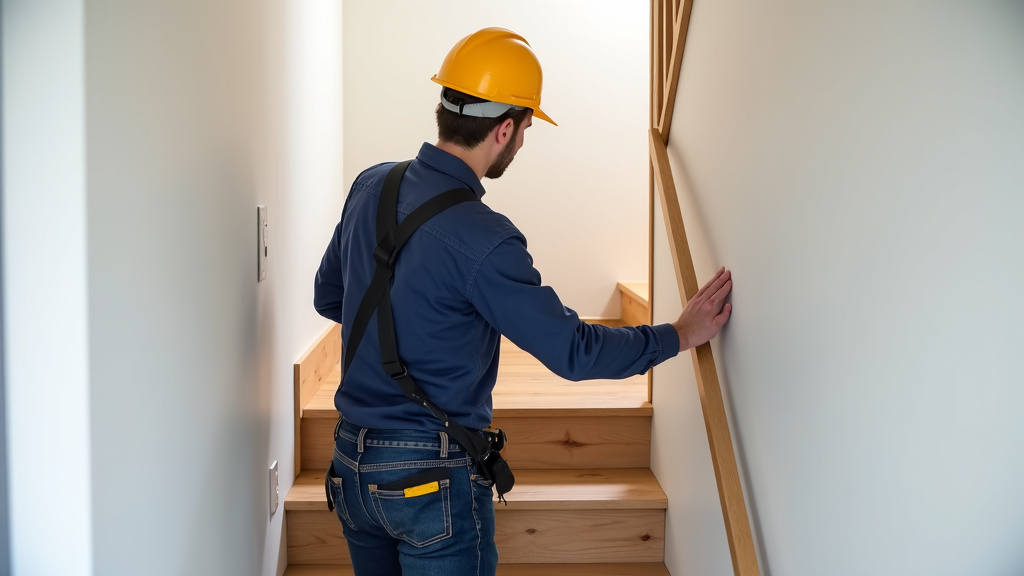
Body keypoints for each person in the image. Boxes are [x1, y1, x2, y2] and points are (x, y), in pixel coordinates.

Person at [313, 27, 732, 576]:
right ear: (504, 128)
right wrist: (676, 335)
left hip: (350, 464)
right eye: (527, 128)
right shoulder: (486, 239)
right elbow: (573, 352)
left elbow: (329, 298)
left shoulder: (371, 184)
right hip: (428, 478)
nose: (523, 140)